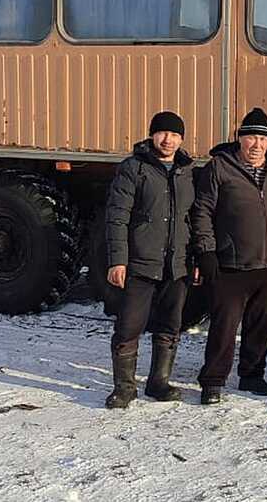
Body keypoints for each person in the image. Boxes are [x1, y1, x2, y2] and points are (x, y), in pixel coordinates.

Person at [192, 107, 267, 404]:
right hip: (231, 265)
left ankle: (252, 375)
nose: (257, 145)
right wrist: (206, 251)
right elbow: (202, 212)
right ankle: (213, 381)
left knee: (261, 325)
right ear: (240, 139)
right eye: (251, 137)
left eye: (263, 139)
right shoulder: (219, 168)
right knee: (224, 327)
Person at [104, 111, 195, 409]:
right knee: (129, 326)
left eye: (175, 135)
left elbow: (194, 218)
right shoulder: (134, 168)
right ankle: (124, 388)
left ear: (182, 139)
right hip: (140, 262)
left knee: (170, 325)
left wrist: (195, 259)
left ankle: (159, 383)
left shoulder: (188, 171)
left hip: (176, 264)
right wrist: (118, 260)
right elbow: (117, 217)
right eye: (163, 133)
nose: (168, 140)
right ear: (152, 135)